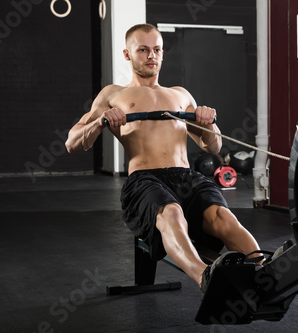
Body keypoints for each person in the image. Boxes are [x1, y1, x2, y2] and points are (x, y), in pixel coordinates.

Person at [65, 23, 262, 292]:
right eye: (143, 50)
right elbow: (73, 144)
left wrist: (210, 123)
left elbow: (213, 147)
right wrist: (100, 121)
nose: (151, 56)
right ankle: (207, 279)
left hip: (187, 178)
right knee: (171, 212)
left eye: (157, 49)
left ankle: (264, 274)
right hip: (146, 180)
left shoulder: (180, 95)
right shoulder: (114, 94)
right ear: (127, 54)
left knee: (223, 217)